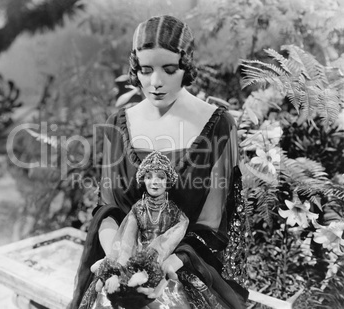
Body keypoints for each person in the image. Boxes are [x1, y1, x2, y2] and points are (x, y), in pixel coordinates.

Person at [71, 15, 248, 309]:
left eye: (168, 69)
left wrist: (162, 267)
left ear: (186, 65)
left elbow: (212, 225)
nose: (155, 82)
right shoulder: (118, 124)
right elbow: (108, 210)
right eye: (145, 69)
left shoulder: (219, 125)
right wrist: (120, 264)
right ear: (135, 69)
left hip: (184, 270)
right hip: (121, 270)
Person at [82, 150, 189, 308]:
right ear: (143, 180)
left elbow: (173, 238)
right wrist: (123, 264)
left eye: (161, 177)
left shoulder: (175, 213)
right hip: (133, 255)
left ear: (168, 181)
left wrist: (154, 261)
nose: (155, 182)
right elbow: (128, 238)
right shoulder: (138, 209)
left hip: (161, 259)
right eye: (149, 177)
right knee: (110, 292)